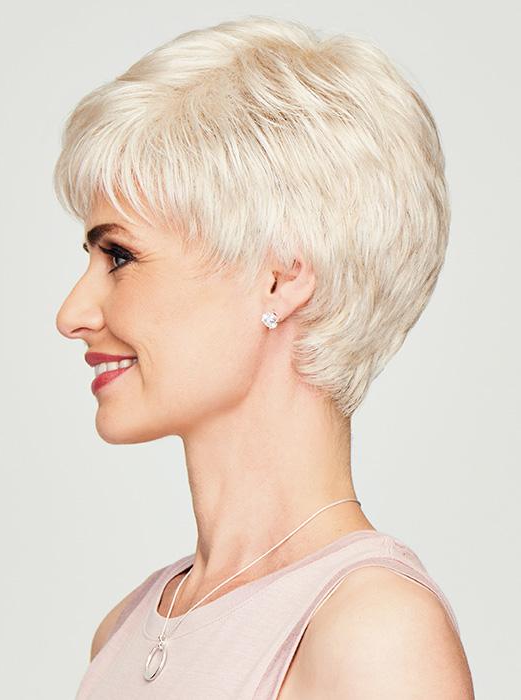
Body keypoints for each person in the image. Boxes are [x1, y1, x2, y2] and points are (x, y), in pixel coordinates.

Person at [54, 15, 474, 699]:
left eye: (119, 256)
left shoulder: (373, 631)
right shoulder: (124, 628)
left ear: (279, 277)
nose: (72, 314)